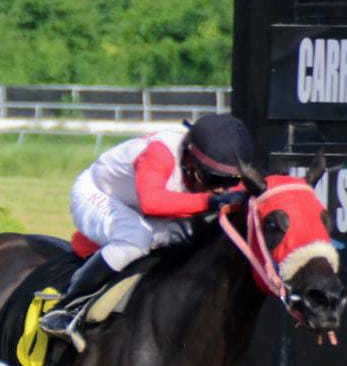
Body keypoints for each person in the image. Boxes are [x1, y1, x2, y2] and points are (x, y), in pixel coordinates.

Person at [37, 113, 254, 346]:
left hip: (136, 207)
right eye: (212, 179)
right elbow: (151, 202)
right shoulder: (160, 152)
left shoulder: (213, 167)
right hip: (98, 194)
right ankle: (66, 308)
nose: (221, 189)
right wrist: (208, 202)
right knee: (135, 238)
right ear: (191, 160)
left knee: (188, 236)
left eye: (229, 182)